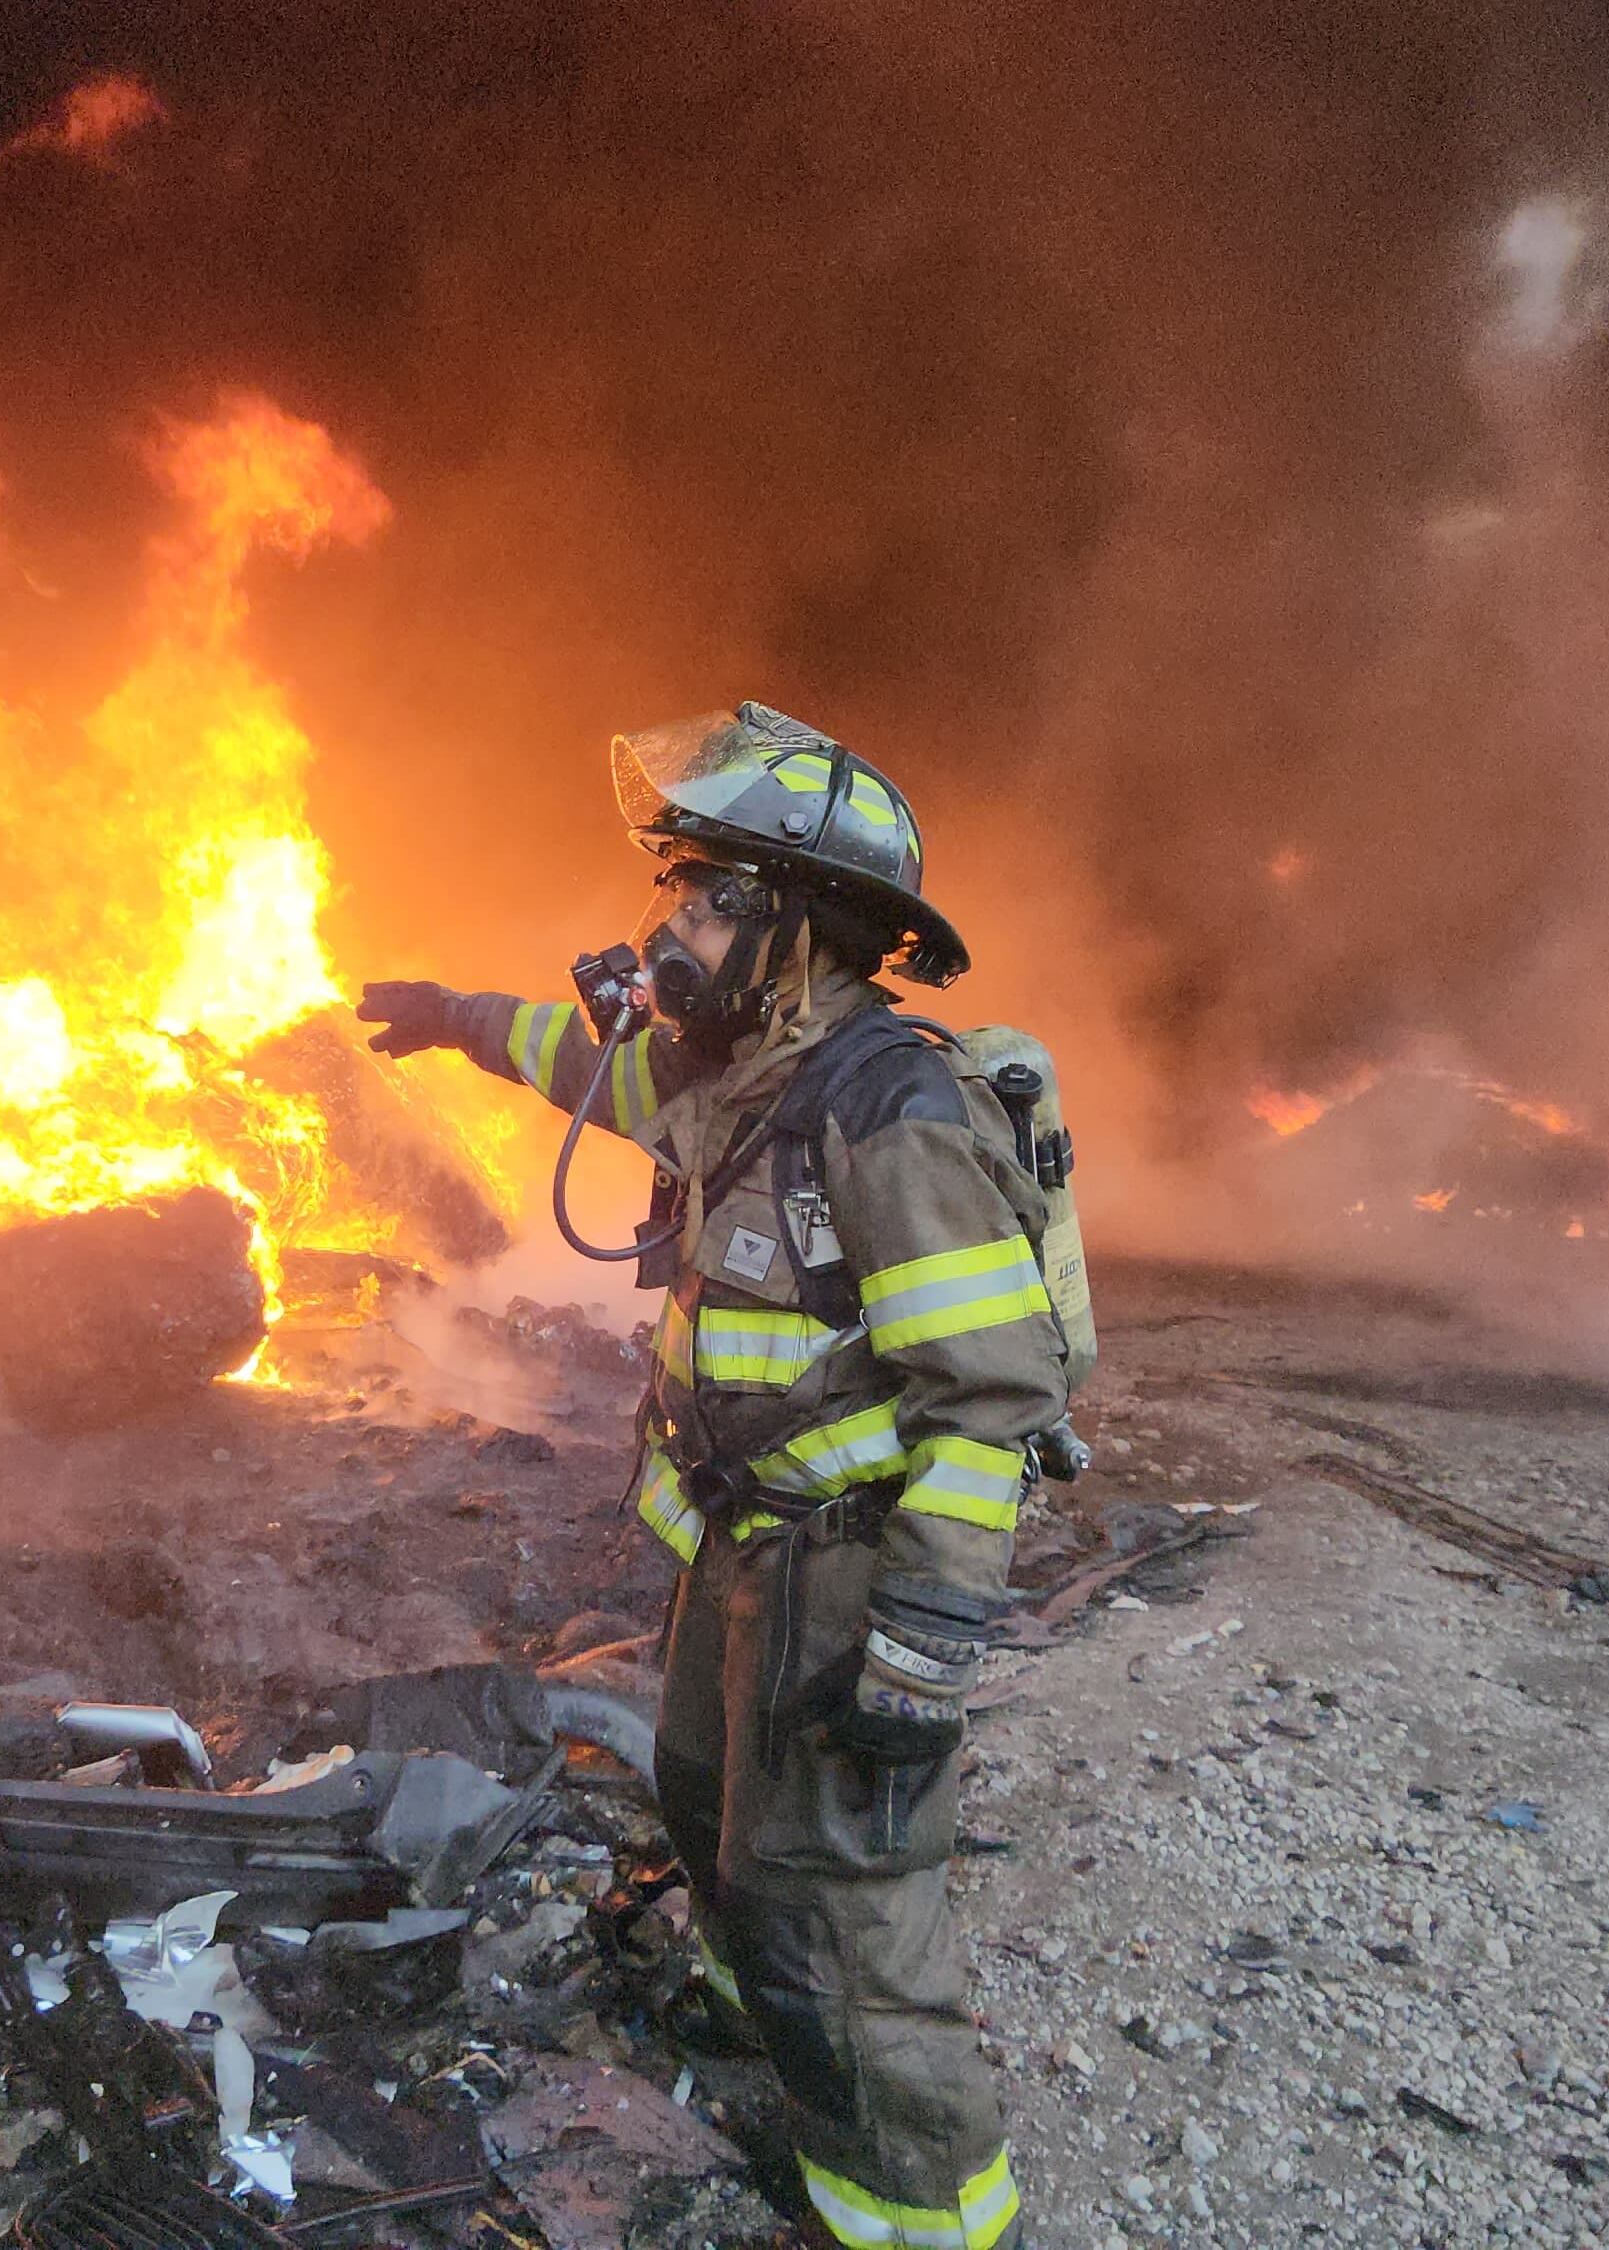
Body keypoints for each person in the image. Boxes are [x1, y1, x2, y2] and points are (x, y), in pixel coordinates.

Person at [359, 703, 1088, 2250]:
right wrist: (450, 1015)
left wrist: (923, 1647)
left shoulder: (891, 1110)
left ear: (799, 926)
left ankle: (923, 2218)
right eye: (676, 890)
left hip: (851, 1563)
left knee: (839, 1899)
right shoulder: (739, 1072)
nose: (669, 927)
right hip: (743, 1544)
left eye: (707, 896)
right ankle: (758, 2022)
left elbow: (991, 1401)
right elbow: (583, 1063)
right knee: (702, 1795)